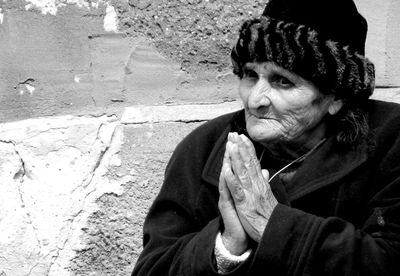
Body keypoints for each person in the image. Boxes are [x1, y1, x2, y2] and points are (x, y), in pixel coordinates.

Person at [132, 0, 400, 275]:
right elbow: (152, 267)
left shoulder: (392, 140)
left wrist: (272, 224)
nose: (255, 100)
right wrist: (225, 248)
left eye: (282, 81)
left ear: (337, 96)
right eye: (250, 75)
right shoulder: (203, 147)